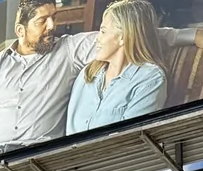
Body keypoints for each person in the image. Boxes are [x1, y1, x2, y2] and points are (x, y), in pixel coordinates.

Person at [0, 1, 203, 166]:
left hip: (35, 158)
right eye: (43, 21)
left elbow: (133, 33)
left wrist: (191, 36)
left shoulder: (70, 50)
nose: (52, 26)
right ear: (20, 30)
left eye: (54, 18)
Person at [66, 0, 169, 135]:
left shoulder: (150, 79)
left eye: (103, 31)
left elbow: (130, 138)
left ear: (123, 37)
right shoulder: (88, 74)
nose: (97, 39)